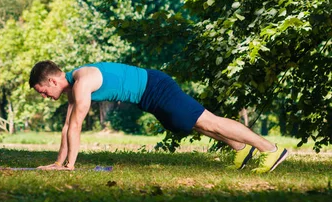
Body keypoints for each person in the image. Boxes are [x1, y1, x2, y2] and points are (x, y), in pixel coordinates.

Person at [29, 61, 289, 173]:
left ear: (52, 80)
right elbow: (66, 127)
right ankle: (241, 150)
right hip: (148, 97)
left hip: (155, 87)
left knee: (208, 120)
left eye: (43, 91)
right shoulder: (75, 83)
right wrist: (58, 162)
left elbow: (75, 128)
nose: (45, 96)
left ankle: (270, 149)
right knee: (190, 124)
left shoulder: (82, 82)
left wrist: (70, 166)